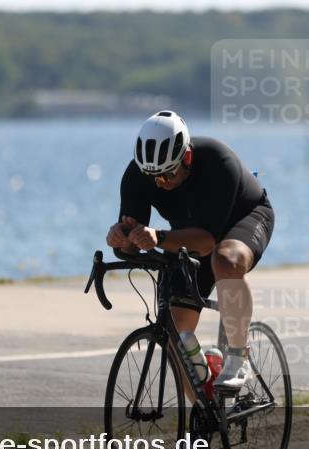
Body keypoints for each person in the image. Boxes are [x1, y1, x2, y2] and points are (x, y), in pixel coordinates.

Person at [106, 110, 274, 395]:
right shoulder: (138, 175)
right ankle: (205, 414)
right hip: (188, 233)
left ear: (186, 158)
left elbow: (208, 242)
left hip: (244, 219)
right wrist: (121, 239)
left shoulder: (218, 161)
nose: (161, 183)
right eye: (154, 177)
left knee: (225, 259)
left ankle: (237, 357)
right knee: (175, 333)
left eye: (168, 174)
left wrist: (157, 237)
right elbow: (134, 235)